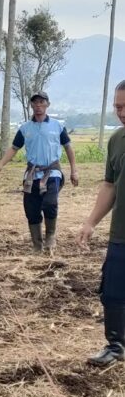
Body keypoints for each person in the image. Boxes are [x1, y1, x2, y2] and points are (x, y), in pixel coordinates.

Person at [0, 91, 79, 251]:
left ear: (47, 104)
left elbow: (68, 147)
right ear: (31, 105)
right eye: (35, 103)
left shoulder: (57, 126)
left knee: (50, 203)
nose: (38, 105)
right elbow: (14, 148)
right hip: (32, 174)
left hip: (52, 172)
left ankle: (50, 238)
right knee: (31, 210)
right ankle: (37, 246)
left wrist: (74, 170)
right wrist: (1, 164)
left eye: (42, 102)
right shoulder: (25, 128)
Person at [78, 80, 125, 367]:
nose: (122, 112)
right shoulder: (116, 140)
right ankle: (116, 346)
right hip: (121, 232)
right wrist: (91, 222)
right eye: (118, 107)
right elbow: (110, 185)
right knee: (113, 291)